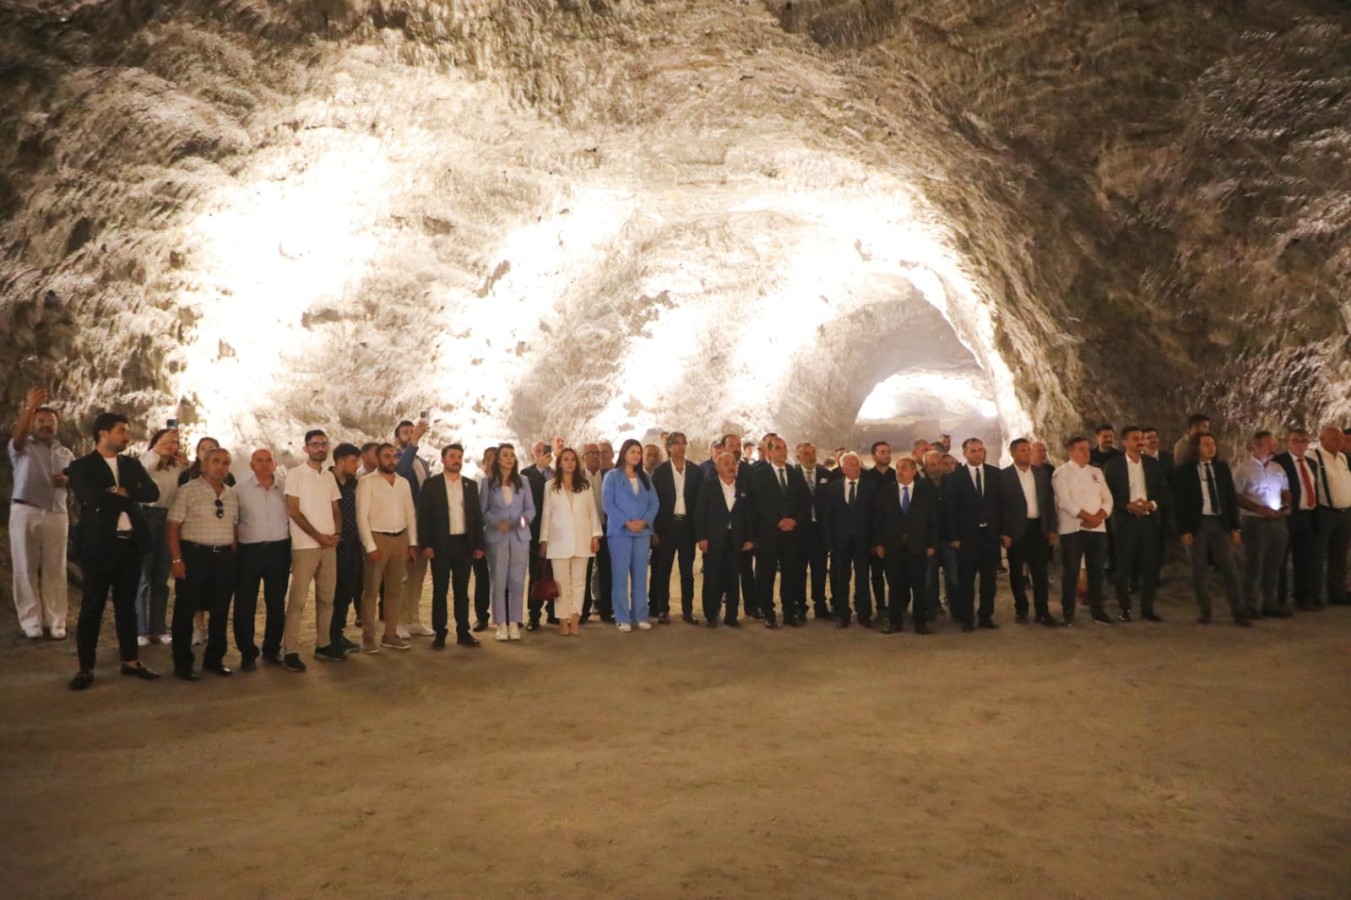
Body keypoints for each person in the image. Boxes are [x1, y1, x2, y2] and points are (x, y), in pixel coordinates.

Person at [66, 412, 161, 689]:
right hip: (99, 545)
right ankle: (85, 668)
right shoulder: (81, 466)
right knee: (92, 606)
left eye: (127, 431)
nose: (126, 437)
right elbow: (90, 497)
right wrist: (121, 494)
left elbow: (152, 492)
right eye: (121, 431)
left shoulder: (130, 464)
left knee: (126, 606)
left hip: (130, 544)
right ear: (103, 433)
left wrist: (125, 493)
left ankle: (130, 661)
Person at [166, 448, 239, 680]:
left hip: (224, 558)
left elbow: (234, 528)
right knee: (185, 610)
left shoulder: (232, 494)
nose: (221, 466)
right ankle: (183, 663)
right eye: (216, 461)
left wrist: (233, 557)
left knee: (220, 611)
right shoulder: (188, 490)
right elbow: (173, 527)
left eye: (225, 462)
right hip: (195, 556)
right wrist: (177, 560)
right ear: (204, 465)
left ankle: (214, 660)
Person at [9, 387, 76, 640]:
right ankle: (30, 620)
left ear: (57, 426)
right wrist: (30, 407)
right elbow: (18, 436)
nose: (46, 425)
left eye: (50, 421)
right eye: (41, 420)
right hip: (26, 509)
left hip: (56, 512)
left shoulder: (65, 453)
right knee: (25, 566)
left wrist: (67, 479)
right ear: (32, 423)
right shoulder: (22, 447)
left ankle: (56, 620)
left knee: (55, 568)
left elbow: (75, 478)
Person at [282, 429, 343, 671]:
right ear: (306, 448)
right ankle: (290, 650)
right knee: (297, 600)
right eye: (315, 444)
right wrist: (318, 536)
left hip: (329, 546)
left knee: (327, 598)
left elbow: (336, 508)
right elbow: (293, 510)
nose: (320, 448)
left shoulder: (329, 476)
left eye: (323, 444)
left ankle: (323, 644)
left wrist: (336, 533)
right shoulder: (295, 474)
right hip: (305, 546)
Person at [1174, 433, 1247, 625]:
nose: (1211, 447)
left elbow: (1230, 498)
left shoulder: (1221, 468)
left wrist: (1235, 526)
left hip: (1219, 522)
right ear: (1196, 447)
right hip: (1198, 524)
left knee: (1229, 567)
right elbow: (1179, 502)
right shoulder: (1185, 471)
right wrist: (1183, 529)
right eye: (1206, 444)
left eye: (1213, 444)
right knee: (1198, 569)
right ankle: (1205, 610)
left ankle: (1239, 612)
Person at [418, 443, 486, 649]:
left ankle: (463, 632)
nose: (456, 460)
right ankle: (440, 633)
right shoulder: (431, 485)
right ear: (443, 459)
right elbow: (423, 517)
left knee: (462, 590)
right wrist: (425, 544)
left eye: (459, 456)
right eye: (452, 456)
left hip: (464, 543)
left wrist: (479, 544)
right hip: (440, 544)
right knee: (440, 590)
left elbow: (476, 517)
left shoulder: (470, 485)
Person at [357, 442, 419, 653]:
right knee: (371, 591)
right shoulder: (367, 482)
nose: (392, 460)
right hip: (378, 538)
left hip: (400, 539)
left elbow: (410, 513)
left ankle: (390, 635)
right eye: (387, 456)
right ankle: (368, 637)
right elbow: (361, 516)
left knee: (395, 590)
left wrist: (412, 543)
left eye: (395, 456)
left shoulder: (403, 483)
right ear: (377, 458)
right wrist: (370, 546)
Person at [234, 448, 293, 670]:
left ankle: (271, 649)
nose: (264, 464)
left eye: (269, 460)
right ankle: (247, 653)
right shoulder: (239, 490)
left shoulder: (286, 489)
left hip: (279, 551)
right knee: (245, 603)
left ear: (275, 464)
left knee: (276, 602)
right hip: (249, 552)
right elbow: (232, 522)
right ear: (252, 465)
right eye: (259, 460)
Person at [1102, 426, 1167, 622]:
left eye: (1141, 439)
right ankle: (1125, 608)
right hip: (1125, 522)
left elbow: (1163, 491)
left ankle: (1147, 609)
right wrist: (1127, 506)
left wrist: (1151, 504)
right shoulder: (1114, 465)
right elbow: (1107, 494)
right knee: (1123, 567)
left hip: (1148, 521)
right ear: (1125, 442)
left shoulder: (1152, 464)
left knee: (1150, 567)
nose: (1140, 442)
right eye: (1135, 439)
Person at [750, 435, 812, 628]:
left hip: (792, 533)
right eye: (777, 448)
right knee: (766, 574)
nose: (782, 451)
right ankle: (768, 613)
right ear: (768, 452)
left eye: (784, 447)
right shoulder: (760, 475)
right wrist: (778, 521)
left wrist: (794, 520)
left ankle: (789, 612)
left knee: (791, 573)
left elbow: (804, 501)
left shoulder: (795, 473)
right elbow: (758, 503)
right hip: (769, 533)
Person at [539, 447, 602, 636]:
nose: (569, 463)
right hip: (558, 540)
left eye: (572, 459)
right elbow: (546, 514)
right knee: (561, 583)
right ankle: (562, 619)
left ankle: (575, 618)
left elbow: (592, 512)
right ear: (559, 463)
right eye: (565, 459)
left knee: (579, 583)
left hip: (582, 539)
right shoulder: (550, 486)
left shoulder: (585, 485)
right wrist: (544, 540)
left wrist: (595, 535)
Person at [873, 458, 939, 634]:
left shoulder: (925, 492)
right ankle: (895, 622)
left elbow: (933, 520)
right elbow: (878, 519)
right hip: (893, 547)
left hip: (917, 546)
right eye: (897, 468)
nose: (899, 471)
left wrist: (932, 544)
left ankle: (920, 623)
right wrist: (878, 543)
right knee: (895, 586)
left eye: (903, 468)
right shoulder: (886, 491)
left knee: (919, 586)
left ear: (913, 471)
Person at [1052, 437, 1113, 626]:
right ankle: (1068, 611)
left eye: (1087, 448)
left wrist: (1099, 516)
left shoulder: (1096, 472)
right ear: (1071, 452)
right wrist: (1087, 517)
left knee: (1097, 570)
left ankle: (1098, 611)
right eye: (1081, 449)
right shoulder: (1061, 473)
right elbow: (1065, 502)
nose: (1087, 452)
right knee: (1071, 571)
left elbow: (1108, 499)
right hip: (1073, 528)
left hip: (1097, 528)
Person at [943, 438, 1002, 631]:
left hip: (989, 535)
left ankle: (986, 616)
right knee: (966, 580)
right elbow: (951, 509)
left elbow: (1002, 505)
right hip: (967, 537)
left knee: (989, 580)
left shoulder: (995, 474)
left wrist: (1003, 532)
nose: (977, 454)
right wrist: (953, 537)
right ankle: (967, 618)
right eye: (973, 450)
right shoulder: (955, 478)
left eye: (980, 450)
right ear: (965, 453)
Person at [602, 439, 660, 632]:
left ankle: (640, 615)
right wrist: (627, 522)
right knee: (620, 576)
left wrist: (644, 521)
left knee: (640, 575)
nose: (636, 455)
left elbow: (654, 503)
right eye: (632, 451)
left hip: (642, 533)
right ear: (624, 453)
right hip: (620, 533)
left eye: (638, 452)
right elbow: (608, 503)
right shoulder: (612, 476)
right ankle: (622, 617)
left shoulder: (645, 477)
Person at [999, 438, 1058, 627]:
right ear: (1013, 453)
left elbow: (1048, 503)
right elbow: (1000, 507)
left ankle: (1043, 612)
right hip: (1016, 530)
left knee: (1040, 572)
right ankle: (1021, 609)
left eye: (1028, 450)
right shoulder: (1004, 476)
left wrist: (1051, 528)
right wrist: (1004, 532)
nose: (1026, 453)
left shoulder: (1040, 473)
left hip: (1038, 527)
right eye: (1022, 450)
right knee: (1017, 572)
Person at [1233, 431, 1292, 619]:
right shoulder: (1243, 469)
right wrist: (1258, 508)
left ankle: (1269, 602)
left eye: (1274, 445)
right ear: (1256, 447)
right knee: (1254, 564)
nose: (1273, 449)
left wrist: (1286, 505)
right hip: (1255, 522)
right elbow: (1235, 496)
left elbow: (1286, 490)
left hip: (1277, 521)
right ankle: (1250, 605)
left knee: (1274, 564)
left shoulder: (1277, 468)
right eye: (1268, 445)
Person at [135, 426, 184, 646]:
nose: (170, 446)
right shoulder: (146, 461)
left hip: (167, 517)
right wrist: (157, 451)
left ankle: (159, 628)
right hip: (146, 516)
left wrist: (182, 459)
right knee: (143, 576)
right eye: (166, 441)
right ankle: (141, 629)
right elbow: (141, 472)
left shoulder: (176, 467)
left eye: (174, 442)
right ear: (155, 442)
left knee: (161, 577)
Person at [480, 443, 535, 641]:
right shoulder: (487, 482)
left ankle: (514, 622)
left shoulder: (523, 481)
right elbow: (483, 511)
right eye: (505, 455)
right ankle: (501, 624)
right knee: (499, 580)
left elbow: (530, 509)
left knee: (518, 580)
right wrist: (498, 522)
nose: (510, 458)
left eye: (512, 455)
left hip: (520, 536)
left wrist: (521, 522)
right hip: (497, 536)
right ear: (497, 459)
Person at [694, 451, 754, 627]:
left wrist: (749, 538)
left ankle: (731, 616)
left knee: (733, 579)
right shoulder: (708, 487)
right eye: (726, 463)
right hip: (714, 540)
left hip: (736, 539)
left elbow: (749, 515)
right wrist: (702, 537)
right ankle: (711, 614)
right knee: (713, 578)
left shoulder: (743, 487)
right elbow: (700, 514)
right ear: (717, 468)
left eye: (733, 463)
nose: (731, 466)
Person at [650, 432, 704, 624]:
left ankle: (687, 611)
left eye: (683, 443)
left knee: (687, 571)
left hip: (687, 527)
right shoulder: (660, 472)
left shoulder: (696, 471)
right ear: (669, 447)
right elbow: (653, 502)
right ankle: (663, 609)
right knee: (663, 570)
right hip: (666, 527)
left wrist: (699, 531)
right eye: (677, 443)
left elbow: (700, 503)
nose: (681, 446)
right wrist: (654, 530)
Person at [820, 452, 876, 627]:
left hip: (863, 540)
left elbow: (875, 516)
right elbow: (827, 516)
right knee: (841, 578)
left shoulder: (870, 487)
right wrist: (829, 541)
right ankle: (843, 613)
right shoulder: (833, 488)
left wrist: (875, 541)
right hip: (840, 541)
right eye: (851, 465)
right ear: (843, 469)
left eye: (857, 464)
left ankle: (864, 613)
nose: (856, 468)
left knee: (863, 578)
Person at [394, 419, 434, 638]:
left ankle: (414, 619)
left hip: (422, 525)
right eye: (406, 432)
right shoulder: (396, 457)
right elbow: (399, 472)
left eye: (413, 431)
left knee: (418, 576)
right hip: (403, 525)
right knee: (402, 577)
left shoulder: (422, 462)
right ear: (397, 437)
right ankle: (399, 621)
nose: (410, 434)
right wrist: (414, 442)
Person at [1273, 429, 1321, 610]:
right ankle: (1280, 598)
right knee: (1281, 557)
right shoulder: (1279, 462)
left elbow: (1313, 488)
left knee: (1305, 557)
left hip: (1307, 515)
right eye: (1296, 440)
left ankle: (1303, 597)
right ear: (1288, 442)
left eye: (1304, 441)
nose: (1300, 444)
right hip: (1288, 515)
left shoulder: (1311, 463)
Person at [1310, 425, 1351, 607]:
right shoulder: (1314, 456)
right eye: (1334, 438)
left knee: (1339, 556)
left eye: (1341, 439)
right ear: (1322, 439)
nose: (1339, 442)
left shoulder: (1342, 458)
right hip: (1325, 512)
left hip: (1344, 513)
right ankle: (1316, 594)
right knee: (1319, 556)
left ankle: (1337, 592)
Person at [795, 442, 836, 620]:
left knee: (819, 570)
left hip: (820, 531)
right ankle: (800, 606)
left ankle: (820, 604)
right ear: (798, 457)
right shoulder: (792, 475)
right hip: (799, 532)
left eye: (812, 453)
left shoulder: (826, 474)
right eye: (805, 453)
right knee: (799, 570)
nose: (810, 456)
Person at [329, 444, 363, 653]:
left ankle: (337, 634)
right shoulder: (324, 481)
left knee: (347, 592)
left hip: (352, 546)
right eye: (353, 461)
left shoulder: (354, 484)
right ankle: (327, 638)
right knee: (330, 594)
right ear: (340, 462)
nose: (357, 465)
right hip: (332, 546)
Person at [521, 439, 557, 631]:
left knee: (556, 571)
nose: (543, 453)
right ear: (532, 454)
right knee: (536, 572)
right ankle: (534, 615)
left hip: (557, 530)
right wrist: (540, 469)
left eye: (546, 450)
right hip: (535, 531)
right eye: (539, 450)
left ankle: (554, 612)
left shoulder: (557, 473)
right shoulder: (526, 474)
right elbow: (530, 499)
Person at [582, 442, 614, 624]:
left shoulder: (608, 475)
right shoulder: (578, 477)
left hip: (606, 528)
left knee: (606, 570)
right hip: (584, 531)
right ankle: (583, 611)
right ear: (583, 457)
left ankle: (606, 610)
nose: (595, 456)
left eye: (597, 453)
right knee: (584, 572)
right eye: (590, 453)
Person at [861, 440, 894, 616]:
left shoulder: (897, 475)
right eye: (882, 452)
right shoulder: (866, 478)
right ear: (873, 456)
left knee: (896, 572)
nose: (886, 455)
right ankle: (881, 606)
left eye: (888, 451)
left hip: (893, 532)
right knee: (876, 573)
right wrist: (874, 540)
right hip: (873, 531)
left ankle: (898, 606)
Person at [471, 445, 498, 630]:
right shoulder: (479, 481)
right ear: (484, 462)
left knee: (502, 578)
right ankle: (482, 616)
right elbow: (477, 512)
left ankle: (503, 615)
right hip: (482, 536)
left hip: (501, 537)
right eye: (491, 460)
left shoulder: (508, 484)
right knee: (482, 579)